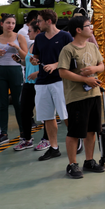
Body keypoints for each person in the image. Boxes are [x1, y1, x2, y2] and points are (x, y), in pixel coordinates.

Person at [57, 16, 105, 179]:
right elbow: (63, 72)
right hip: (76, 97)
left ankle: (89, 160)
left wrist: (94, 69)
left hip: (94, 94)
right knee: (75, 132)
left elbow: (101, 65)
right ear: (78, 30)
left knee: (91, 130)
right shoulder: (68, 50)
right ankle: (72, 164)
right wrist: (85, 79)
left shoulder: (92, 46)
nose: (91, 28)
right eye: (88, 25)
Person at [31, 9, 74, 161]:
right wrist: (34, 60)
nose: (37, 23)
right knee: (47, 116)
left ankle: (76, 141)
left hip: (60, 81)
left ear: (48, 21)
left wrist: (56, 65)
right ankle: (54, 148)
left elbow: (72, 57)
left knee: (66, 114)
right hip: (42, 82)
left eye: (39, 21)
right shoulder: (39, 38)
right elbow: (36, 56)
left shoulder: (65, 36)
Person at [0, 13, 28, 145]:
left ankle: (23, 132)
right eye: (8, 23)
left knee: (18, 103)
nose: (10, 25)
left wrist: (17, 48)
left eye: (13, 23)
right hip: (0, 72)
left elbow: (26, 57)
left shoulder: (19, 37)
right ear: (2, 24)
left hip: (15, 71)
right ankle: (3, 133)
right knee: (2, 104)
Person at [13, 21, 40, 151]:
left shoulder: (43, 46)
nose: (27, 33)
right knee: (24, 111)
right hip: (28, 83)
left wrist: (37, 74)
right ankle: (27, 139)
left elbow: (49, 64)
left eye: (30, 31)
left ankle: (47, 139)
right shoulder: (32, 45)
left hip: (40, 84)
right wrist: (20, 61)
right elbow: (29, 63)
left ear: (38, 31)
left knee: (45, 114)